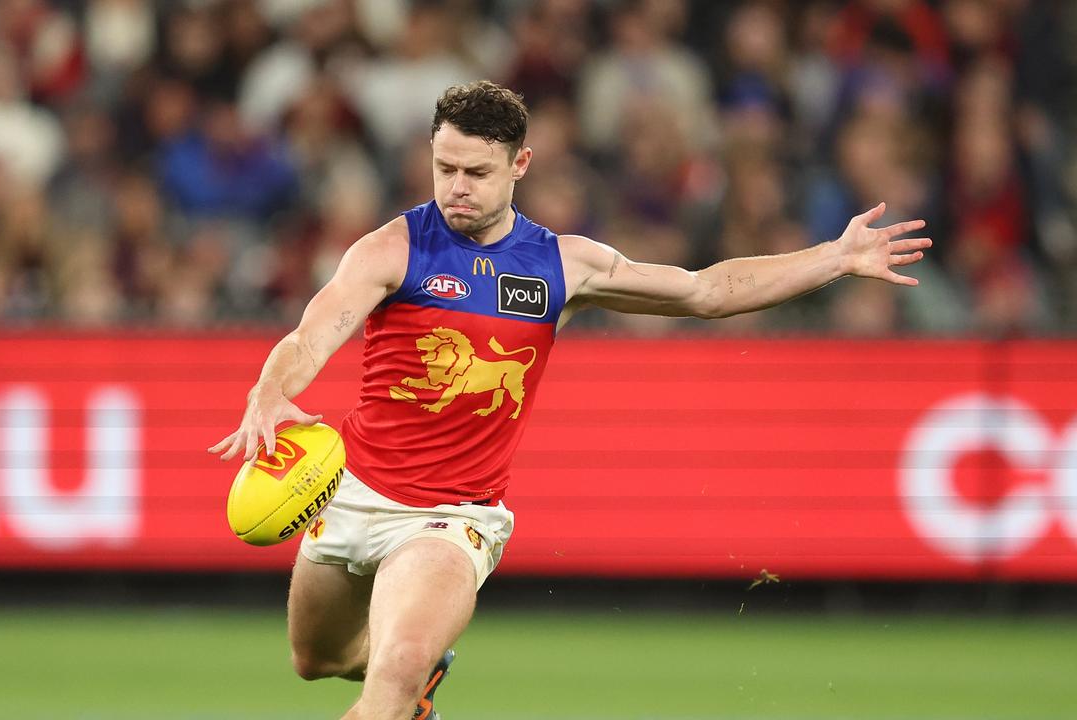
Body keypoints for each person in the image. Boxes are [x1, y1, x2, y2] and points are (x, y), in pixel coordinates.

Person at [208, 80, 930, 720]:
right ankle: (423, 664)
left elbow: (704, 290)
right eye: (444, 168)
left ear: (520, 165)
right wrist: (269, 392)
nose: (456, 186)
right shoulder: (391, 249)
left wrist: (833, 257)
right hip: (352, 491)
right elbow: (310, 337)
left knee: (392, 678)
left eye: (477, 172)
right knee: (318, 661)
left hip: (449, 520)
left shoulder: (564, 266)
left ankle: (411, 666)